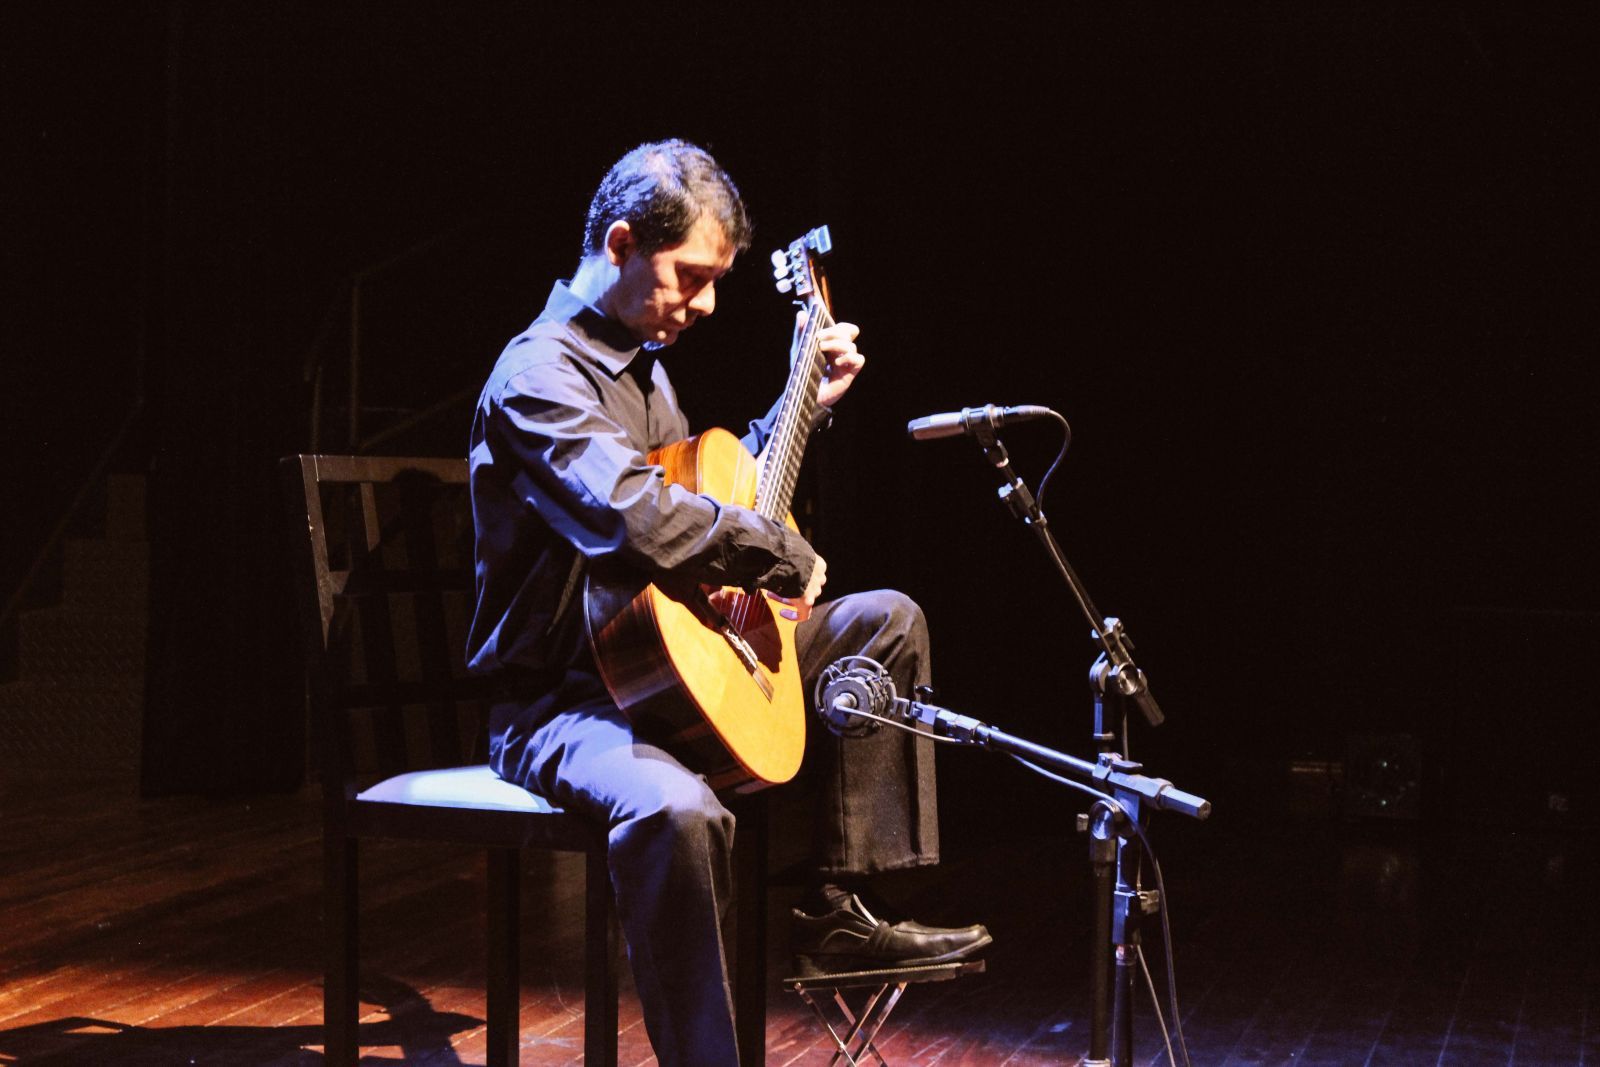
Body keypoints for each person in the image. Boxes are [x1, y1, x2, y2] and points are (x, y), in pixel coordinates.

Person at [465, 139, 989, 1066]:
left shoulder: (644, 365)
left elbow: (706, 492)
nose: (705, 303)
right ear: (621, 242)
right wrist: (774, 550)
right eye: (690, 277)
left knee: (885, 622)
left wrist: (802, 406)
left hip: (664, 671)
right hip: (560, 702)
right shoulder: (536, 375)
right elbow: (631, 515)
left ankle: (837, 911)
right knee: (679, 812)